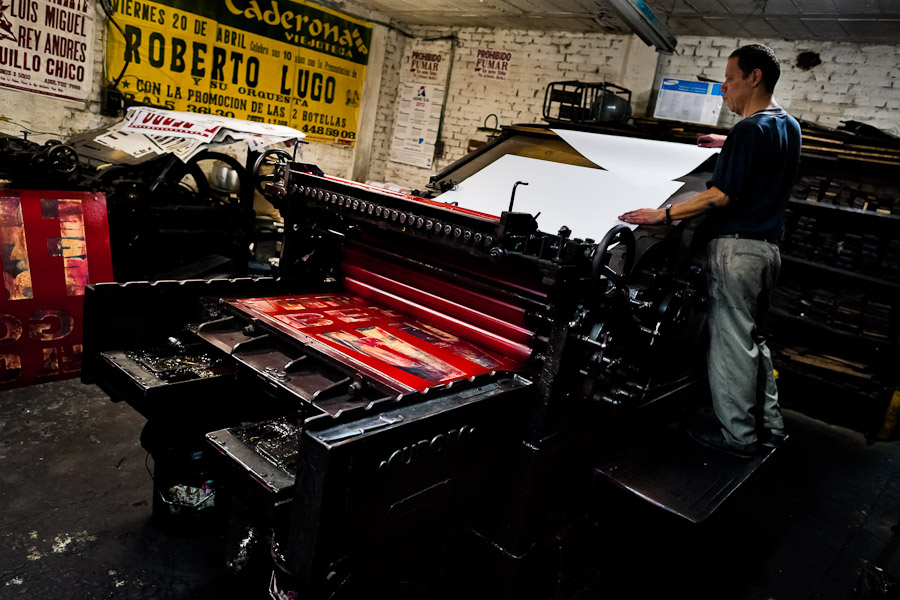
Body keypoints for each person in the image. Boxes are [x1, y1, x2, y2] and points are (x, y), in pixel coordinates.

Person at [619, 44, 802, 458]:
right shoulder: (787, 124)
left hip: (737, 253)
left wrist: (661, 214)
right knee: (754, 339)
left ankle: (739, 437)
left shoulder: (748, 132)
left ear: (754, 78)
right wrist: (728, 142)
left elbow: (720, 197)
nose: (723, 89)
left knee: (730, 346)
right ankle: (770, 426)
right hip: (768, 252)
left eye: (730, 79)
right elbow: (767, 153)